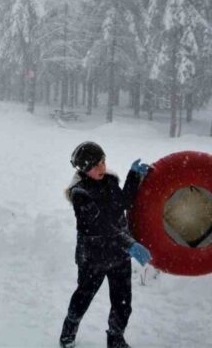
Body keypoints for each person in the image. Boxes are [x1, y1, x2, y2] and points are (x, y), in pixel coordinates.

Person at [59, 142, 153, 348]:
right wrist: (129, 244)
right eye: (95, 165)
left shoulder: (109, 181)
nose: (102, 168)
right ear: (84, 169)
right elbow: (100, 226)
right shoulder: (80, 194)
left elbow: (123, 203)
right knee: (84, 297)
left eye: (103, 162)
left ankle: (115, 338)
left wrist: (133, 176)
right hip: (93, 257)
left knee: (123, 302)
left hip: (118, 254)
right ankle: (68, 334)